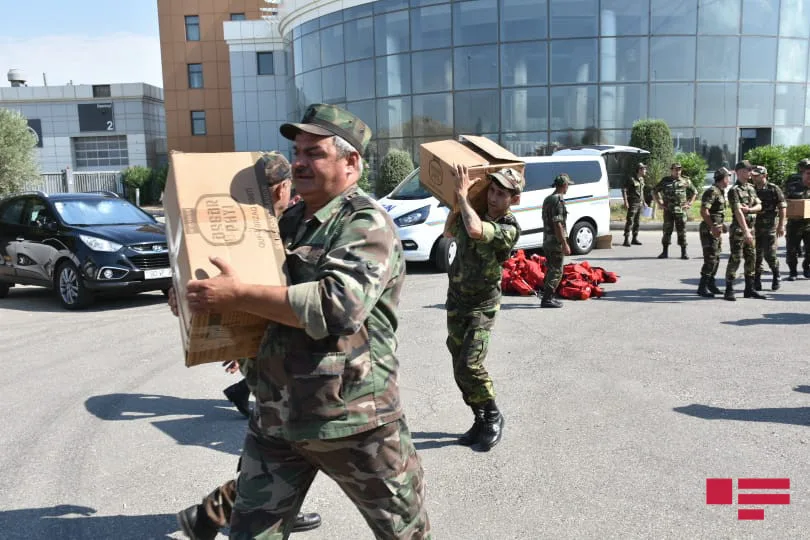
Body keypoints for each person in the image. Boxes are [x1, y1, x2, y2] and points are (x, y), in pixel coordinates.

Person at [181, 103, 430, 539]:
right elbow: (257, 287)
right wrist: (198, 297)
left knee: (404, 534)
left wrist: (237, 295)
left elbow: (337, 306)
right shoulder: (289, 220)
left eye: (313, 153)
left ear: (350, 161)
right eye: (296, 151)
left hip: (353, 422)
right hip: (277, 419)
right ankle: (208, 519)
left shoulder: (365, 223)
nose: (298, 161)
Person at [173, 151, 322, 540]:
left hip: (275, 348)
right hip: (275, 355)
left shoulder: (283, 222)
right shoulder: (256, 225)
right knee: (289, 442)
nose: (281, 194)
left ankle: (218, 514)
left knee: (279, 439)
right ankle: (219, 513)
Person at [442, 166, 523, 451]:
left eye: (501, 193)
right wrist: (458, 201)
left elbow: (476, 231)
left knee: (471, 363)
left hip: (482, 304)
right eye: (491, 190)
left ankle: (493, 416)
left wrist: (463, 197)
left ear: (513, 199)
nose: (493, 197)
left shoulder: (509, 228)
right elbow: (448, 231)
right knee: (458, 366)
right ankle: (478, 417)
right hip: (457, 299)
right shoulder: (473, 212)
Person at [222, 152, 296, 419]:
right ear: (284, 188)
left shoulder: (234, 229)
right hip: (280, 363)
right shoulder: (292, 227)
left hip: (257, 346)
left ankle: (241, 391)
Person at [724, 160, 765, 301]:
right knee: (735, 258)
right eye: (748, 170)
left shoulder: (751, 188)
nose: (750, 172)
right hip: (739, 230)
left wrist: (749, 209)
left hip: (751, 229)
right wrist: (746, 231)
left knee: (751, 258)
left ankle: (750, 289)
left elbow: (760, 205)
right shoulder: (734, 190)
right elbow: (737, 212)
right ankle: (729, 289)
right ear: (740, 171)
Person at [541, 174, 574, 308]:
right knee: (556, 271)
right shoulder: (558, 200)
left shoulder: (547, 199)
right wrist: (564, 244)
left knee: (550, 268)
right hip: (555, 241)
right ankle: (547, 299)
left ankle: (548, 296)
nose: (568, 188)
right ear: (564, 185)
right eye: (567, 185)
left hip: (547, 239)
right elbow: (558, 224)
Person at [697, 167, 731, 298]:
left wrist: (723, 225)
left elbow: (717, 213)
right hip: (709, 230)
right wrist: (712, 226)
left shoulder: (720, 191)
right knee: (710, 258)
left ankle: (711, 283)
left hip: (716, 229)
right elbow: (704, 211)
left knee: (716, 257)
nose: (729, 179)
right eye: (728, 177)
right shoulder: (712, 191)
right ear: (724, 178)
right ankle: (702, 287)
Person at [752, 165, 786, 291]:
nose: (754, 178)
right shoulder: (751, 189)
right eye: (753, 175)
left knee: (769, 254)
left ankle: (776, 275)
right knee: (756, 255)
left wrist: (781, 225)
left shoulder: (773, 189)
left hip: (770, 226)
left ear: (764, 175)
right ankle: (757, 279)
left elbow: (782, 207)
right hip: (755, 227)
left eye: (757, 175)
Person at [653, 163, 697, 260]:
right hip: (668, 210)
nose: (678, 171)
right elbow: (655, 191)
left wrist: (689, 203)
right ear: (671, 170)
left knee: (682, 231)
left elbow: (694, 192)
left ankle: (684, 252)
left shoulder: (685, 180)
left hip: (681, 211)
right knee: (667, 231)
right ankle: (664, 252)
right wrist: (659, 202)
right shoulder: (665, 181)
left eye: (679, 169)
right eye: (676, 169)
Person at [784, 158, 810, 281]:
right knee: (792, 250)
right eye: (808, 173)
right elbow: (784, 201)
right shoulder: (793, 186)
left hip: (809, 224)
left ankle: (806, 267)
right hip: (794, 223)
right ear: (803, 173)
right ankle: (793, 272)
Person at [622, 162, 647, 247]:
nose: (645, 170)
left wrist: (644, 202)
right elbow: (624, 190)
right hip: (632, 203)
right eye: (644, 169)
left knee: (637, 222)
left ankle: (634, 239)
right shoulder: (631, 179)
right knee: (630, 221)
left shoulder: (642, 179)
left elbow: (641, 191)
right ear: (639, 170)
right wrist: (625, 201)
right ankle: (626, 239)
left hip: (639, 203)